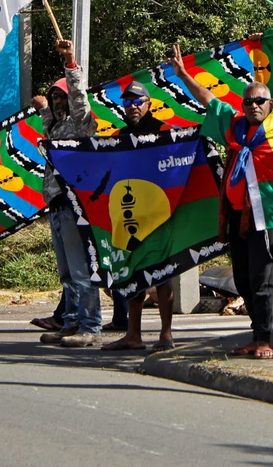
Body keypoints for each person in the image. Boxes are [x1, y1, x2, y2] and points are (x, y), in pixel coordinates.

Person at [170, 52, 273, 360]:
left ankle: (264, 338)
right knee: (241, 278)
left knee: (262, 279)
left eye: (259, 101)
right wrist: (184, 76)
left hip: (265, 218)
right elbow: (210, 100)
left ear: (270, 104)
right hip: (237, 216)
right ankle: (255, 332)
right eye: (248, 102)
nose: (253, 106)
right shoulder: (237, 129)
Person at [101, 81, 178, 353]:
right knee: (132, 271)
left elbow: (178, 164)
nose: (132, 106)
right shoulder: (119, 134)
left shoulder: (164, 130)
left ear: (149, 104)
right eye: (127, 102)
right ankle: (133, 334)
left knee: (162, 273)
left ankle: (166, 334)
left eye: (137, 101)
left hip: (158, 214)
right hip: (128, 214)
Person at [38, 39, 103, 349]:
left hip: (77, 205)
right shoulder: (55, 128)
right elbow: (47, 119)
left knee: (82, 270)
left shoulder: (81, 124)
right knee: (66, 273)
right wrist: (44, 108)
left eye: (60, 95)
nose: (57, 101)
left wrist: (70, 64)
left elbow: (79, 98)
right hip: (56, 206)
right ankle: (72, 321)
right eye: (54, 97)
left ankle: (91, 326)